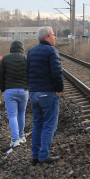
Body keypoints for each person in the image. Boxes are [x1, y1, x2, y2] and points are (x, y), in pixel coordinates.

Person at [25, 27, 63, 165]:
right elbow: (57, 73)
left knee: (38, 125)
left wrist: (32, 88)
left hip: (34, 94)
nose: (55, 37)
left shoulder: (31, 51)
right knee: (48, 125)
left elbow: (27, 73)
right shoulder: (52, 51)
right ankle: (43, 156)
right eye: (53, 35)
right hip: (48, 93)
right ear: (46, 37)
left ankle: (35, 156)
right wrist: (59, 89)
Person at [0, 40, 29, 148]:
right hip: (23, 91)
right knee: (21, 114)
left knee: (12, 115)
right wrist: (27, 86)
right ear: (22, 48)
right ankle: (21, 136)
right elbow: (30, 74)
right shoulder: (26, 58)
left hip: (10, 91)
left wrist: (2, 88)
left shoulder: (5, 58)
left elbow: (0, 75)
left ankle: (15, 139)